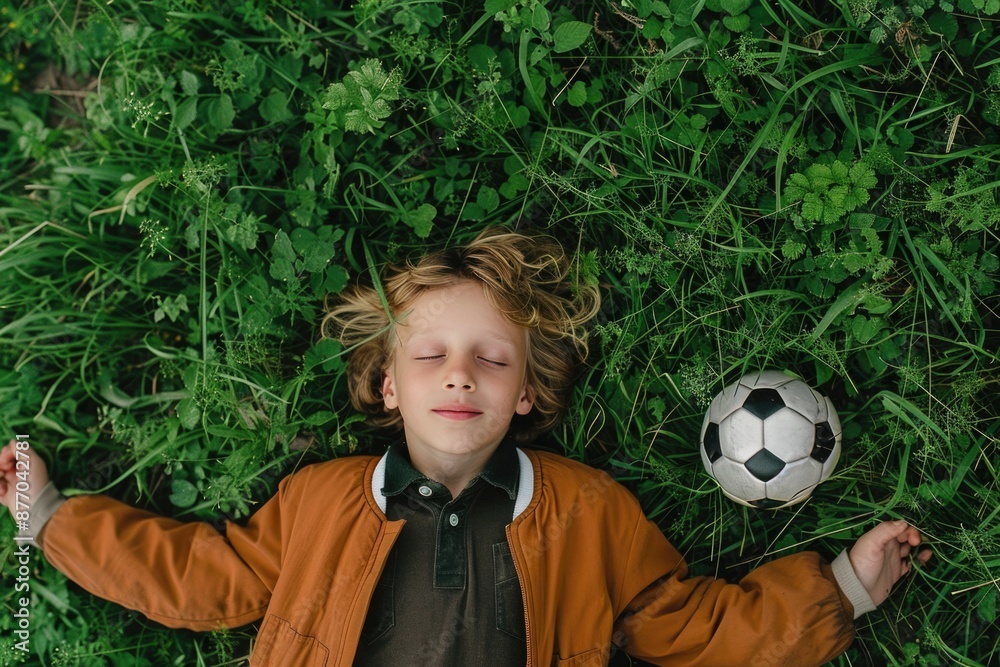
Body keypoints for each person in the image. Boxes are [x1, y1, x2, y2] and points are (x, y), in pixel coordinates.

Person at [1, 228, 930, 666]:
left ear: (525, 392)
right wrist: (48, 518)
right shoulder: (321, 499)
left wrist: (841, 585)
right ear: (387, 384)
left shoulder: (588, 511)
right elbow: (200, 577)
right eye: (432, 357)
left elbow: (687, 625)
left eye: (489, 359)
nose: (459, 376)